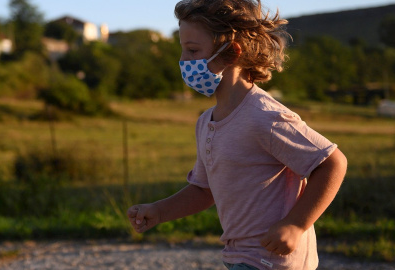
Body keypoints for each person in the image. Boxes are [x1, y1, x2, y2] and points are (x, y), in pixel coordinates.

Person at [127, 0, 348, 269]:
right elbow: (202, 190)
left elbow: (332, 163)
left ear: (231, 53)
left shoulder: (265, 117)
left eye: (193, 50)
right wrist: (159, 211)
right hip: (239, 257)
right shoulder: (205, 122)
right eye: (183, 51)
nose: (183, 62)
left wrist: (295, 225)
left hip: (274, 261)